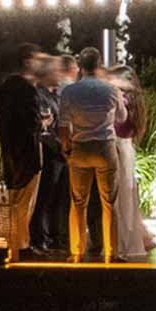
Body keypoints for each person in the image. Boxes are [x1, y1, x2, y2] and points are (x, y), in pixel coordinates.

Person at [57, 54, 123, 262]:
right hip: (105, 148)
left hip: (80, 148)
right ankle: (111, 252)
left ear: (80, 67)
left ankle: (76, 251)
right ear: (99, 65)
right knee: (109, 202)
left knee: (78, 201)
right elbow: (122, 117)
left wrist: (66, 147)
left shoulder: (70, 91)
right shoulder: (111, 90)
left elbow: (63, 123)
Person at [0, 44, 47, 261]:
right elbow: (31, 122)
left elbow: (1, 120)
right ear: (28, 61)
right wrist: (43, 122)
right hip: (27, 152)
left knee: (15, 200)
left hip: (10, 151)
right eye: (37, 60)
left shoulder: (4, 87)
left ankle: (15, 245)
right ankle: (21, 246)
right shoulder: (26, 89)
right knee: (24, 202)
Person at [105, 65, 156, 262]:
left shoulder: (121, 101)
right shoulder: (135, 103)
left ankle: (120, 243)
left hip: (117, 149)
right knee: (126, 197)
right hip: (127, 149)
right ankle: (126, 240)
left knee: (118, 199)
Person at [28, 55, 75, 258]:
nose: (60, 75)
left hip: (60, 152)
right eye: (56, 71)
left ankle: (55, 238)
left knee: (58, 198)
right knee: (45, 198)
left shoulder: (54, 96)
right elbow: (41, 125)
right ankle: (40, 239)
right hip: (50, 152)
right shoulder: (38, 95)